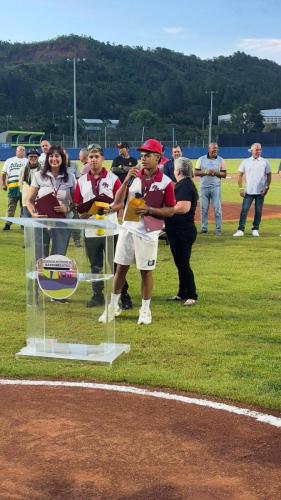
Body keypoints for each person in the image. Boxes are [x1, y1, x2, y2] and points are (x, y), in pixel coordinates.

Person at [99, 138, 176, 325]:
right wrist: (125, 181)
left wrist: (150, 210)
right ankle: (113, 307)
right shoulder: (133, 176)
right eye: (142, 155)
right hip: (127, 228)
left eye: (148, 155)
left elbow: (171, 210)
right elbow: (118, 202)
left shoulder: (166, 182)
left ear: (158, 158)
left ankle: (145, 309)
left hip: (148, 233)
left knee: (145, 271)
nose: (143, 158)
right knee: (120, 269)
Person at [74, 145, 132, 309]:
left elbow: (120, 204)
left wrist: (109, 209)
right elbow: (78, 204)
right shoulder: (81, 181)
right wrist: (82, 213)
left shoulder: (113, 179)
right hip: (91, 230)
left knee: (116, 265)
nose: (93, 160)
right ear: (88, 159)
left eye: (96, 157)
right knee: (95, 265)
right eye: (91, 157)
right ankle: (97, 295)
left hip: (111, 229)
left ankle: (123, 295)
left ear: (102, 159)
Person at [26, 145, 76, 257]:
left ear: (62, 159)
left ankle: (56, 274)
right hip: (42, 221)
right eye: (51, 156)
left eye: (57, 156)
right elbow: (29, 201)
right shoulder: (39, 176)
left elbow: (76, 202)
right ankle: (42, 276)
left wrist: (67, 208)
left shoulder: (71, 177)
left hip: (62, 222)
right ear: (47, 158)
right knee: (40, 258)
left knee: (58, 257)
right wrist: (34, 214)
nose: (54, 159)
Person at [165, 157, 198, 306]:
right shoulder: (183, 184)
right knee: (180, 263)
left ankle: (191, 294)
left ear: (177, 171)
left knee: (183, 264)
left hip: (183, 231)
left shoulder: (184, 185)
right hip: (177, 231)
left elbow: (183, 207)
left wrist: (165, 211)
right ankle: (182, 293)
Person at [233, 143, 271, 237]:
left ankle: (255, 229)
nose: (259, 151)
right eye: (257, 150)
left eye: (260, 150)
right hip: (248, 191)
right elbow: (240, 175)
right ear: (252, 150)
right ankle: (241, 230)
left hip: (260, 192)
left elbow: (269, 175)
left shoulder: (265, 161)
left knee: (258, 211)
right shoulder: (245, 161)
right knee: (244, 210)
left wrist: (266, 187)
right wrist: (241, 188)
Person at [195, 143, 226, 235]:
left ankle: (218, 229)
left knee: (217, 209)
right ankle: (204, 228)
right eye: (213, 149)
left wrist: (215, 172)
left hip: (216, 187)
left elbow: (224, 174)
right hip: (203, 187)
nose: (215, 151)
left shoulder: (221, 160)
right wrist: (205, 172)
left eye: (216, 149)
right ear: (209, 149)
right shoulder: (201, 159)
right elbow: (196, 172)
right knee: (203, 209)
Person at [1, 145, 28, 230]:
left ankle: (23, 224)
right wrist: (3, 184)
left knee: (24, 207)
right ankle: (8, 224)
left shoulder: (28, 161)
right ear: (16, 151)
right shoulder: (9, 160)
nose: (22, 151)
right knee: (11, 206)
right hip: (12, 187)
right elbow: (3, 173)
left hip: (24, 188)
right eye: (20, 150)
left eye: (23, 150)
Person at [19, 149, 41, 217]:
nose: (33, 158)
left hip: (39, 200)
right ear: (28, 157)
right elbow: (21, 184)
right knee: (27, 221)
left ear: (38, 157)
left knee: (38, 223)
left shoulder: (43, 169)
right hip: (26, 200)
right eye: (31, 156)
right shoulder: (23, 169)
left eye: (35, 156)